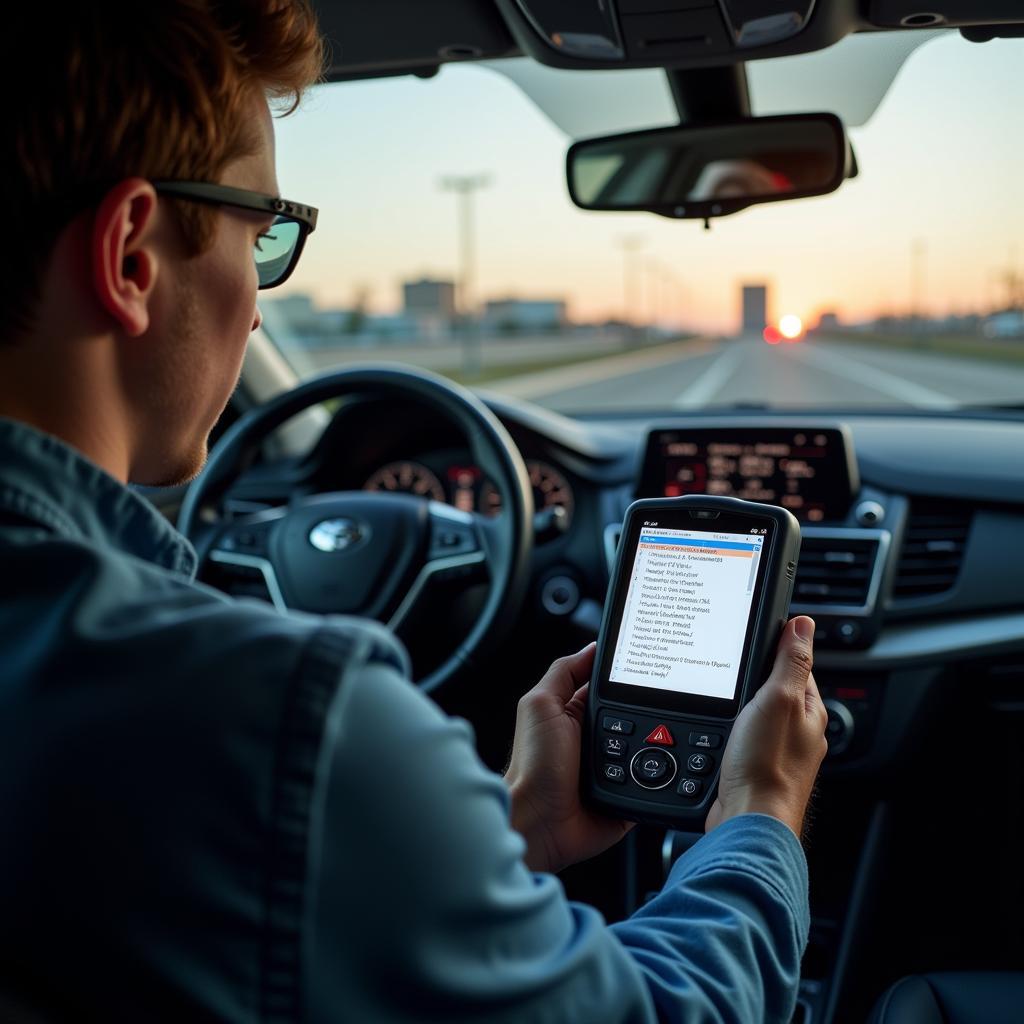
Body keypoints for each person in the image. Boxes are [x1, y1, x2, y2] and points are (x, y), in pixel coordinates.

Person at [0, 3, 828, 1021]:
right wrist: (759, 813)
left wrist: (506, 833)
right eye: (263, 237)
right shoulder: (284, 720)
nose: (257, 306)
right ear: (132, 255)